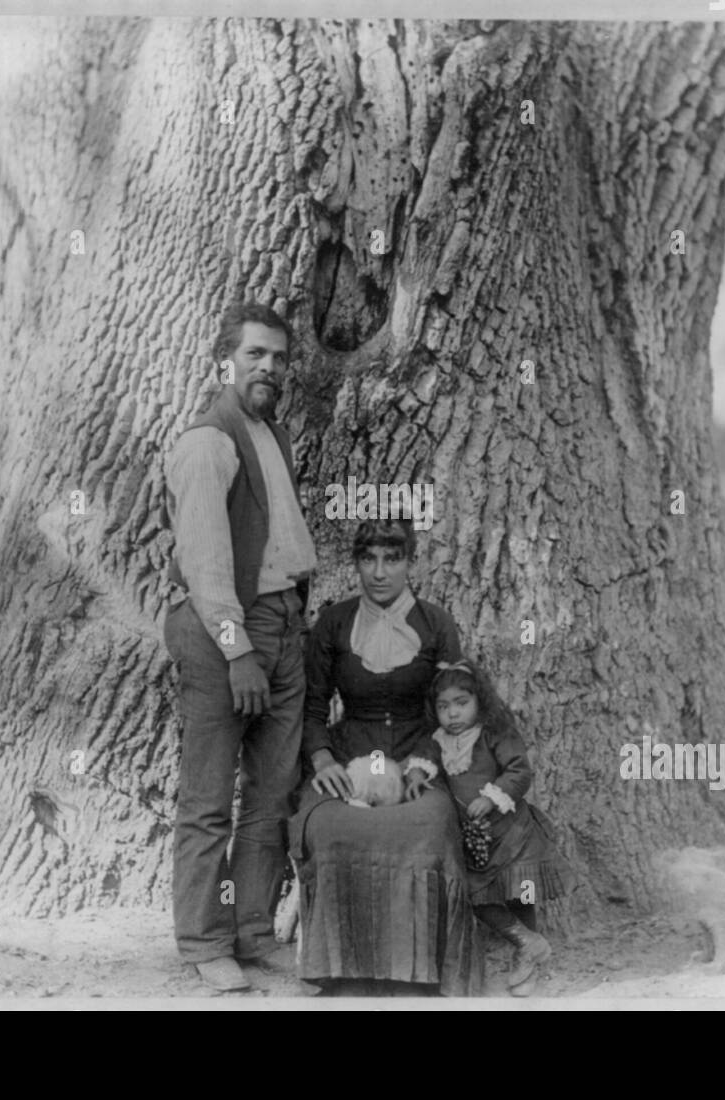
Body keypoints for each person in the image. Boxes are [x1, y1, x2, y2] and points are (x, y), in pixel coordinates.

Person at [163, 302, 316, 992]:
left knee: (271, 793)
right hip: (229, 631)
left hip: (283, 625)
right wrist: (237, 651)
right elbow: (203, 564)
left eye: (280, 358)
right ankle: (202, 940)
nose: (270, 368)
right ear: (226, 360)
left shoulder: (271, 435)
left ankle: (252, 930)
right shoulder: (207, 442)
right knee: (206, 797)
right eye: (256, 354)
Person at [289, 518, 483, 996]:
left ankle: (419, 968)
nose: (379, 572)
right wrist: (321, 760)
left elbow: (451, 706)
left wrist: (420, 763)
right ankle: (335, 962)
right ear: (356, 563)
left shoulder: (436, 622)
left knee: (429, 829)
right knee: (331, 828)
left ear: (409, 563)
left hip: (418, 760)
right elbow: (311, 708)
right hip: (347, 759)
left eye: (392, 559)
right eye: (368, 559)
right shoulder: (334, 622)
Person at [427, 658, 579, 996]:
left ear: (479, 700)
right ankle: (529, 941)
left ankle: (528, 959)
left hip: (511, 833)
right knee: (475, 896)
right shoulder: (438, 742)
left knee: (521, 892)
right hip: (477, 841)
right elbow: (432, 774)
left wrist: (493, 796)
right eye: (444, 706)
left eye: (462, 703)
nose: (453, 714)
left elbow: (519, 771)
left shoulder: (493, 732)